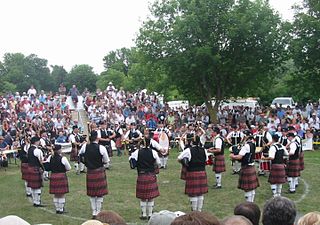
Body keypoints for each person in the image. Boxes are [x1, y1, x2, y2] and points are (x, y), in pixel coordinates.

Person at [129, 133, 161, 220]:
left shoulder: (136, 152)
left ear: (142, 143)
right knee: (150, 197)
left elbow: (131, 162)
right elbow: (159, 163)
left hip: (141, 175)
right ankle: (150, 214)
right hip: (151, 175)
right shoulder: (153, 152)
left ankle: (143, 214)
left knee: (143, 198)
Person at [79, 131, 110, 219]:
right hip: (99, 171)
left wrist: (86, 163)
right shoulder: (101, 148)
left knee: (92, 194)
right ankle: (98, 211)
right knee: (99, 194)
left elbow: (80, 156)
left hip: (90, 171)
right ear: (97, 138)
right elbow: (106, 160)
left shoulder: (85, 146)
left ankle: (94, 211)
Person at [177, 134, 208, 212]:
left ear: (192, 142)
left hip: (192, 172)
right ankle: (199, 211)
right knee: (200, 193)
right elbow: (206, 159)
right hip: (202, 172)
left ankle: (194, 211)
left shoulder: (188, 150)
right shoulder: (204, 150)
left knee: (193, 193)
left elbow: (179, 158)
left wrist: (184, 162)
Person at [230, 130, 259, 202]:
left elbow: (239, 157)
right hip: (251, 166)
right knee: (252, 188)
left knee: (247, 188)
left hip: (246, 167)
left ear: (246, 136)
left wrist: (232, 156)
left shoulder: (246, 146)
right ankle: (251, 202)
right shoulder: (253, 144)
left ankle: (248, 203)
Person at [48, 144, 71, 214]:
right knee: (61, 194)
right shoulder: (63, 158)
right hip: (61, 176)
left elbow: (47, 166)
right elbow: (69, 168)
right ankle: (61, 209)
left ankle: (57, 209)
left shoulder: (50, 157)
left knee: (56, 194)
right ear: (59, 150)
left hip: (53, 176)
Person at [27, 136, 45, 207]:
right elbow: (41, 161)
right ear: (36, 142)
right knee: (37, 187)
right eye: (39, 141)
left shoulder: (29, 149)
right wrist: (43, 168)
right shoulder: (37, 150)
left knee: (33, 187)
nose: (39, 142)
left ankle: (35, 201)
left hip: (30, 168)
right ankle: (37, 202)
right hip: (36, 169)